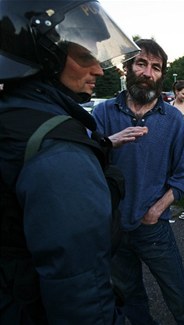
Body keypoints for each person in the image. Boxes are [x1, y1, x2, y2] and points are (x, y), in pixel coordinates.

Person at [0, 0, 140, 323]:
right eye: (85, 54)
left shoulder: (15, 116)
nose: (99, 69)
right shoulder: (60, 152)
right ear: (46, 54)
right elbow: (83, 301)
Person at [92, 39, 184, 325]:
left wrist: (157, 210)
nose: (148, 72)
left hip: (152, 228)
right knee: (129, 296)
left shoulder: (172, 119)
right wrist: (106, 144)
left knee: (179, 294)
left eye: (156, 67)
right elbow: (88, 167)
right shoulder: (104, 112)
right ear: (127, 67)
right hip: (114, 226)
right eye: (141, 63)